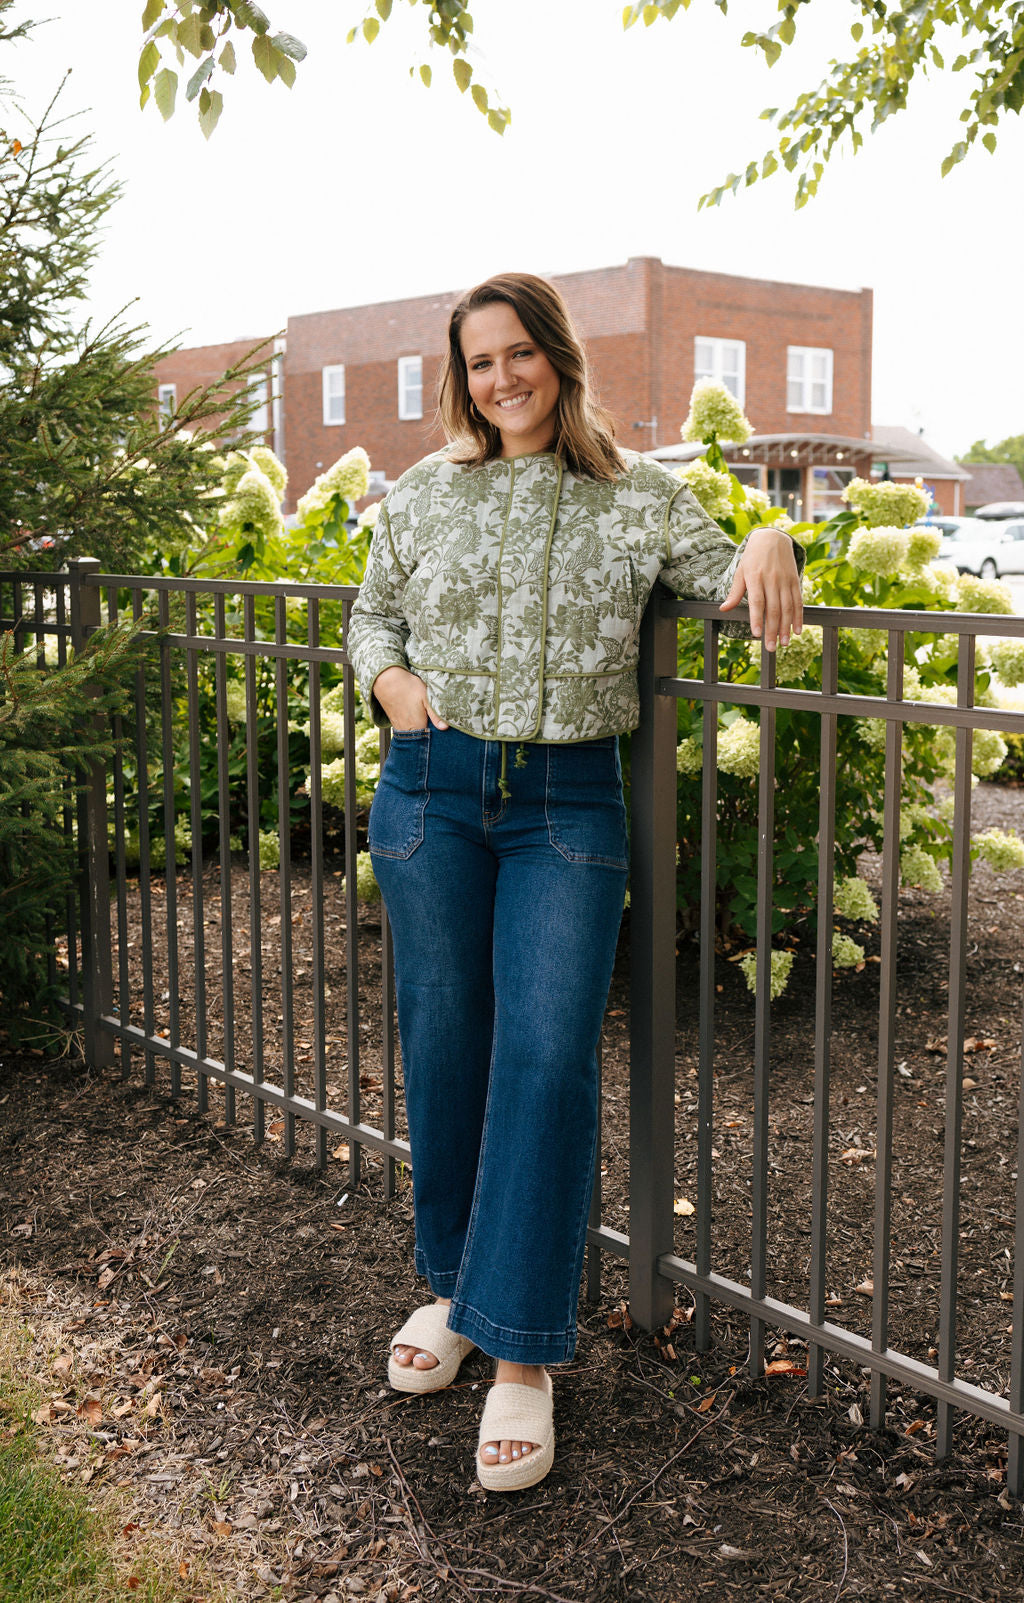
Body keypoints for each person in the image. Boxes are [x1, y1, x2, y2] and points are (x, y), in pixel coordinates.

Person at [347, 272, 802, 1492]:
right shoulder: (424, 495)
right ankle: (449, 1285)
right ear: (464, 376)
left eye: (518, 354)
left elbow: (724, 574)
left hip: (567, 803)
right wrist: (391, 685)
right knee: (445, 1039)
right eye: (479, 362)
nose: (501, 379)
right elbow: (371, 619)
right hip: (431, 792)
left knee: (546, 1055)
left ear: (557, 355)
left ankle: (522, 1353)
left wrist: (771, 531)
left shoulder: (640, 496)